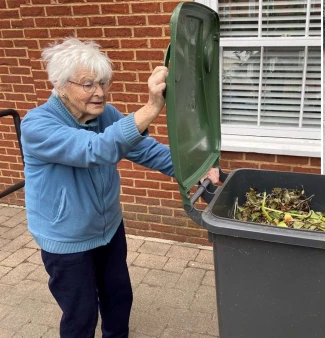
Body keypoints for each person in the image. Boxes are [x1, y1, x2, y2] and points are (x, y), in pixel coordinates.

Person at [20, 38, 221, 338]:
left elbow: (146, 150)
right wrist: (151, 107)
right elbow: (94, 149)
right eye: (88, 84)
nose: (99, 92)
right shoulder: (37, 126)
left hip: (109, 229)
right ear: (61, 85)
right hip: (66, 239)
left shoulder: (104, 115)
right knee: (81, 314)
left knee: (118, 298)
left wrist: (196, 171)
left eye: (103, 82)